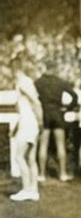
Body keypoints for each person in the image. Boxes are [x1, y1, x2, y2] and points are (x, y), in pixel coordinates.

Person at [35, 60, 78, 182]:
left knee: (43, 145)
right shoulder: (60, 82)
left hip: (45, 113)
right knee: (61, 145)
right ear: (55, 69)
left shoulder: (39, 83)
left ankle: (42, 174)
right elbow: (74, 96)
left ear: (45, 67)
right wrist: (67, 108)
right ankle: (63, 173)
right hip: (58, 113)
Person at [10, 58, 43, 201]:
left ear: (14, 69)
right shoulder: (25, 82)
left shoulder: (23, 82)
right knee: (30, 158)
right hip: (29, 123)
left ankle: (26, 189)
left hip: (29, 123)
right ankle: (33, 190)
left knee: (19, 156)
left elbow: (36, 102)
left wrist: (41, 121)